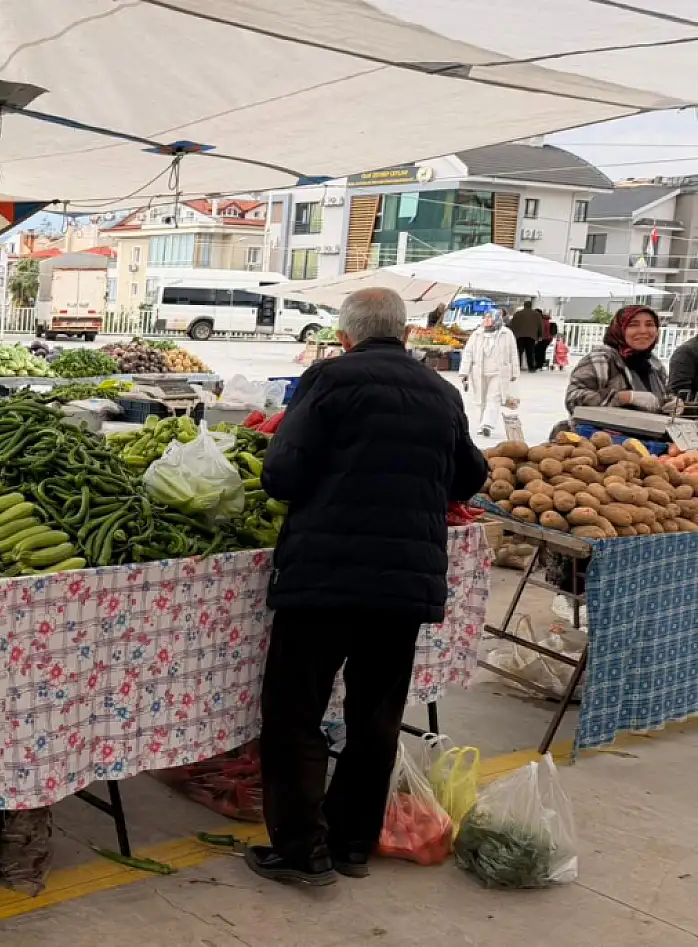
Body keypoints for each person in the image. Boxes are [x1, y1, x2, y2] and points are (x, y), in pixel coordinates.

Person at [249, 286, 488, 887]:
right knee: (376, 715)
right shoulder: (440, 391)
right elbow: (469, 476)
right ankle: (353, 842)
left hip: (324, 576)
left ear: (343, 336)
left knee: (295, 712)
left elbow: (282, 474)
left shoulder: (329, 379)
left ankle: (302, 849)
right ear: (405, 333)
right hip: (403, 583)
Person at [565, 305, 669, 417]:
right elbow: (573, 399)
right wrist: (625, 397)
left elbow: (660, 400)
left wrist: (671, 404)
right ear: (619, 329)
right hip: (601, 427)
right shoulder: (602, 358)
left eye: (649, 325)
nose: (643, 331)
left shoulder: (654, 364)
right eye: (633, 325)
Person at [458, 308, 520, 439]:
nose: (486, 320)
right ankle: (482, 424)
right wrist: (464, 373)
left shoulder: (506, 334)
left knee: (494, 398)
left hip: (499, 373)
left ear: (496, 319)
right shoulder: (477, 334)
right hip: (479, 373)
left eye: (489, 317)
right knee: (481, 400)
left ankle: (487, 425)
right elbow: (468, 354)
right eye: (485, 317)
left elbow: (513, 353)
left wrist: (515, 371)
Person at [509, 299, 542, 371]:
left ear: (524, 305)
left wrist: (513, 333)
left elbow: (512, 324)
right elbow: (540, 325)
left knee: (519, 352)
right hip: (531, 336)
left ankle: (517, 367)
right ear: (531, 306)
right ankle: (531, 368)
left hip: (519, 336)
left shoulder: (518, 313)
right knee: (530, 352)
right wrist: (540, 335)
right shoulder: (536, 314)